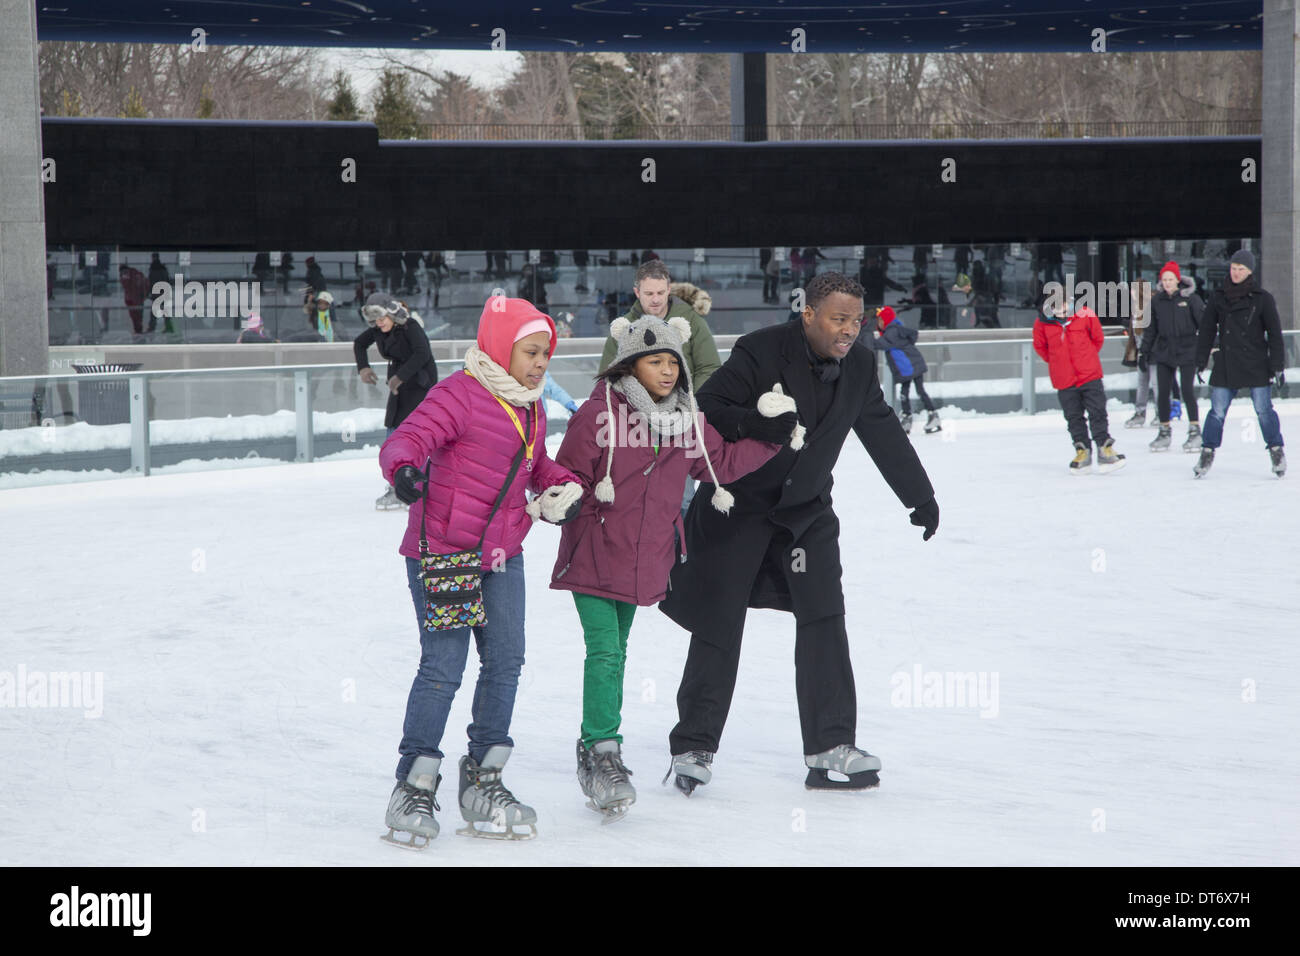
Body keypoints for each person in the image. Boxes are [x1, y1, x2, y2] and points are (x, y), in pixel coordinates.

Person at [659, 272, 940, 794]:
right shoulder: (759, 350)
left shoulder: (859, 362)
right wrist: (755, 424)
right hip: (737, 510)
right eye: (839, 319)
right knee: (718, 625)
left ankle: (831, 743)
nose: (850, 330)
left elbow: (879, 425)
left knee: (824, 618)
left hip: (804, 514)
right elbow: (708, 406)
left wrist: (918, 495)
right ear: (808, 313)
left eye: (857, 320)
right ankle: (693, 745)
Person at [551, 314, 789, 819]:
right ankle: (601, 751)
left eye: (672, 363)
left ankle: (599, 746)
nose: (666, 372)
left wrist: (769, 437)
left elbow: (720, 465)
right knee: (606, 651)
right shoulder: (599, 415)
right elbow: (567, 473)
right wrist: (564, 500)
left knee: (618, 650)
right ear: (630, 365)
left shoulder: (687, 423)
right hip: (596, 549)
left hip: (644, 558)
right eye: (654, 361)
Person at [378, 296, 583, 847]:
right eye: (531, 351)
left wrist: (559, 483)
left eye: (546, 353)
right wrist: (402, 471)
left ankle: (484, 777)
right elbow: (409, 438)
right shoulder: (459, 394)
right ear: (501, 347)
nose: (541, 363)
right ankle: (414, 782)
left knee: (506, 660)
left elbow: (534, 464)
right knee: (444, 665)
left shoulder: (531, 404)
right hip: (443, 551)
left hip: (502, 554)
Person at [599, 260, 723, 515]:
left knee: (682, 497)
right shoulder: (624, 327)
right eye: (648, 294)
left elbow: (709, 367)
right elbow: (609, 376)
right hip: (634, 426)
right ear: (637, 293)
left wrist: (687, 408)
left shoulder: (691, 321)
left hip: (678, 424)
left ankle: (683, 554)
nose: (655, 300)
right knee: (635, 496)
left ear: (669, 290)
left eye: (660, 292)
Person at [1193, 250, 1287, 478]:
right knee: (1216, 411)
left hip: (1255, 362)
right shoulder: (1218, 297)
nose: (1236, 273)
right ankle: (1207, 451)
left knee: (1264, 410)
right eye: (1234, 268)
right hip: (1226, 363)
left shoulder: (1262, 298)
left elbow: (1274, 334)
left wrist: (1277, 365)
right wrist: (1200, 360)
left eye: (1241, 269)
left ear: (1250, 272)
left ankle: (1276, 450)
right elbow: (1206, 330)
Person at [355, 292, 439, 509]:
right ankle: (398, 485)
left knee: (414, 434)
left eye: (381, 318)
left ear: (391, 313)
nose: (378, 323)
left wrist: (400, 377)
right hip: (398, 386)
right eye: (373, 320)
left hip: (419, 385)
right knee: (393, 433)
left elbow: (423, 353)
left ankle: (412, 486)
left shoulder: (410, 327)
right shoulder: (378, 329)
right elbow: (359, 344)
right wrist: (363, 368)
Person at [1033, 298, 1126, 473]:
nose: (1060, 308)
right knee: (1073, 417)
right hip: (1064, 379)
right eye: (1055, 305)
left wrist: (1086, 358)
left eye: (1062, 303)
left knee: (1097, 412)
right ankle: (1082, 451)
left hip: (1089, 374)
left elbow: (1097, 339)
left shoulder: (1085, 314)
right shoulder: (1041, 323)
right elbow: (1041, 348)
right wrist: (1058, 362)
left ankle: (1104, 449)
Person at [1138, 262, 1204, 453]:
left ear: (1178, 280)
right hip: (1165, 351)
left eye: (1170, 279)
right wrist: (1144, 352)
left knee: (1187, 390)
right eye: (1164, 280)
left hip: (1187, 350)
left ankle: (1194, 431)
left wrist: (1206, 350)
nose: (1167, 283)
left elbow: (1204, 325)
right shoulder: (1157, 301)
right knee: (1163, 393)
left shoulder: (1191, 299)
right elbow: (1150, 330)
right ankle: (1164, 431)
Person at [873, 306, 940, 434]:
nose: (879, 324)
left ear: (886, 320)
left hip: (910, 366)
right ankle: (923, 415)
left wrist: (863, 338)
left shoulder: (891, 332)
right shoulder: (895, 330)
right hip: (910, 366)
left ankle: (916, 417)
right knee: (914, 391)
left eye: (881, 320)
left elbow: (879, 344)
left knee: (911, 392)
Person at [118, 264, 148, 336]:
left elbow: (125, 285)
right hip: (139, 298)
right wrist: (144, 295)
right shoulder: (138, 273)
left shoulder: (125, 274)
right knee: (139, 315)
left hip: (130, 298)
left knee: (134, 315)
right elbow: (146, 283)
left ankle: (137, 330)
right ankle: (139, 329)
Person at [147, 253, 170, 333]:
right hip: (162, 292)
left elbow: (150, 281)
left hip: (156, 292)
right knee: (164, 311)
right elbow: (167, 280)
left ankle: (152, 328)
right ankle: (168, 327)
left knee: (155, 312)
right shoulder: (162, 268)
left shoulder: (152, 268)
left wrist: (150, 292)